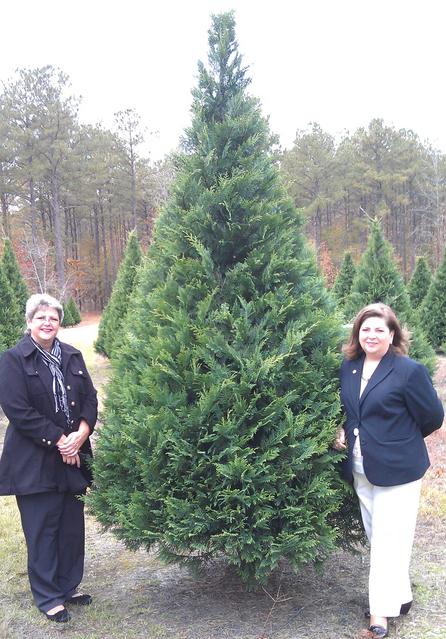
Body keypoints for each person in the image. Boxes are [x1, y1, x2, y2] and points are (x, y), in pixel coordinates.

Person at [333, 303, 444, 639]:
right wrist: (341, 430)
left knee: (385, 542)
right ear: (357, 334)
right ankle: (401, 597)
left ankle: (379, 615)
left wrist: (397, 440)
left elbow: (433, 416)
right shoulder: (349, 367)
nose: (371, 335)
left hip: (399, 470)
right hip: (360, 467)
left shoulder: (408, 371)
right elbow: (351, 412)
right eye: (365, 329)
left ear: (392, 334)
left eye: (379, 329)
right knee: (379, 537)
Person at [0, 294, 97, 623]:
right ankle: (48, 596)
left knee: (71, 527)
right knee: (42, 529)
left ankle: (68, 587)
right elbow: (18, 410)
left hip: (73, 456)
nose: (47, 322)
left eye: (53, 318)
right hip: (34, 460)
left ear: (59, 323)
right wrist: (60, 439)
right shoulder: (13, 360)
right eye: (40, 317)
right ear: (29, 322)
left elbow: (90, 398)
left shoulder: (72, 355)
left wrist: (81, 433)